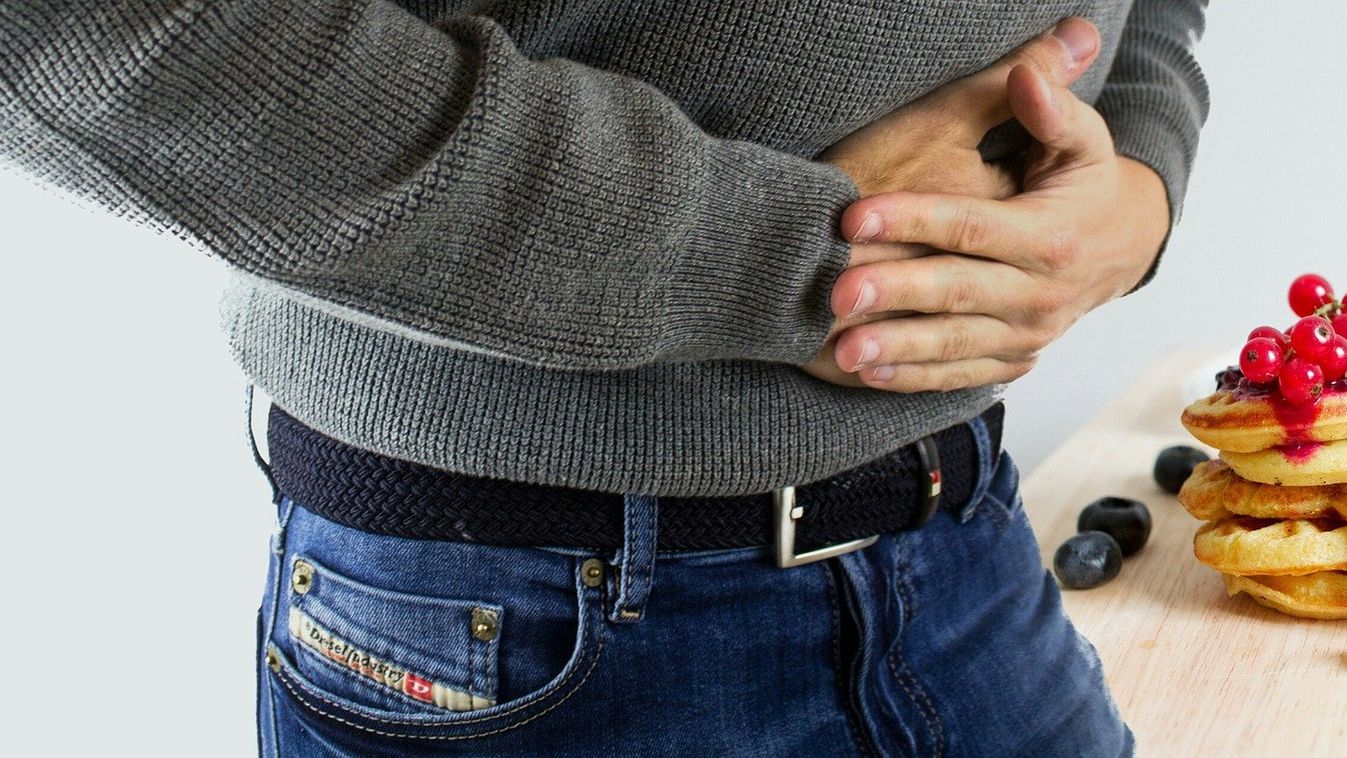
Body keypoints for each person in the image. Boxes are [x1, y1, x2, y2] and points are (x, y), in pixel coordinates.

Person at [0, 1, 1207, 755]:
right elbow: (91, 34)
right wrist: (796, 253)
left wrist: (1138, 183)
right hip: (527, 611)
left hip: (962, 540)